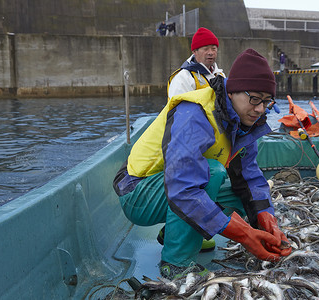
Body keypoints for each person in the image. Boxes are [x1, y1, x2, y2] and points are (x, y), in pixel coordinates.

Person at [113, 49, 292, 280]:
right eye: (254, 98)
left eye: (267, 101)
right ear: (232, 91)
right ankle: (176, 264)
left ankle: (175, 233)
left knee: (246, 199)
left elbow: (249, 179)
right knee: (213, 172)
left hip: (172, 188)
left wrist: (266, 218)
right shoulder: (195, 113)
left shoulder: (244, 124)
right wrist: (244, 235)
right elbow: (183, 189)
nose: (260, 109)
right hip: (137, 192)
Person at [167, 27, 225, 98]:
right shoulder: (183, 78)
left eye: (214, 49)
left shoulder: (220, 75)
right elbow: (180, 107)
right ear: (194, 51)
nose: (210, 53)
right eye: (205, 49)